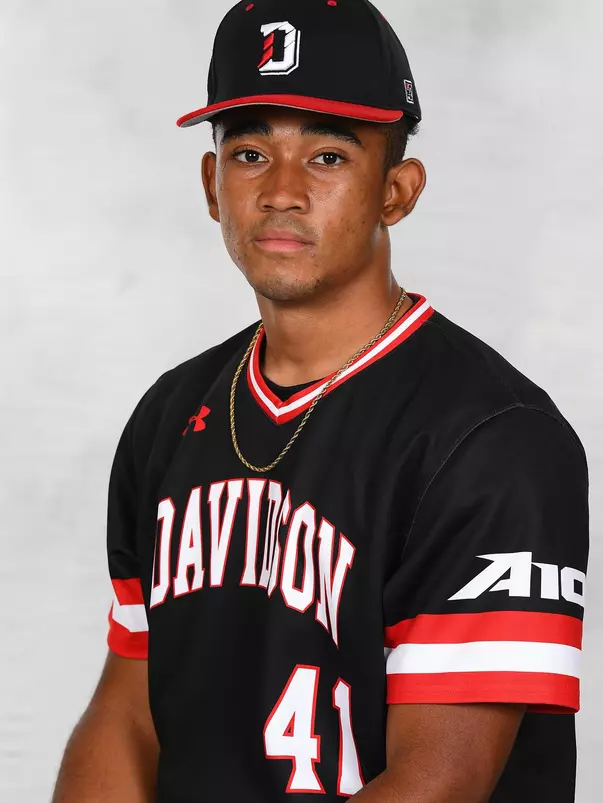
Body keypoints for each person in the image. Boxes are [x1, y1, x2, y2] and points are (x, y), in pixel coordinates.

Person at [52, 1, 589, 801]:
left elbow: (437, 782)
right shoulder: (170, 413)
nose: (281, 191)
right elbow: (128, 714)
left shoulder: (493, 437)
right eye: (248, 152)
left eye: (329, 155)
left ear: (396, 191)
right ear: (210, 184)